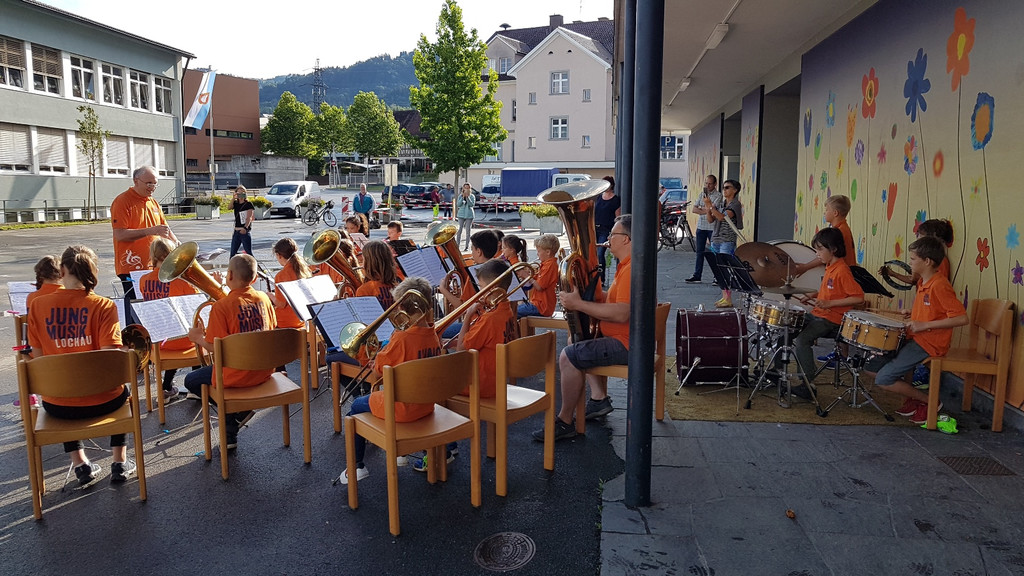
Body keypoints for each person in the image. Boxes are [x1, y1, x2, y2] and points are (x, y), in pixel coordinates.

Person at [27, 245, 135, 486]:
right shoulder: (105, 306)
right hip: (105, 402)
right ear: (92, 269)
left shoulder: (37, 305)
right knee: (123, 391)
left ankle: (80, 464)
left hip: (58, 405)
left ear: (63, 270)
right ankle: (119, 461)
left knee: (63, 382)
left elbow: (38, 356)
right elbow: (110, 358)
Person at [533, 215, 632, 442]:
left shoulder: (630, 268)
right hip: (625, 338)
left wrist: (578, 304)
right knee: (575, 340)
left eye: (612, 235)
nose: (608, 239)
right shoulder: (625, 266)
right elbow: (615, 301)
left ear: (625, 239)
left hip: (625, 343)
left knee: (568, 356)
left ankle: (565, 421)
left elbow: (622, 312)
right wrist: (590, 294)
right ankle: (598, 399)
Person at [338, 277, 442, 484]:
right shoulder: (432, 334)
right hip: (425, 405)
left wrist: (377, 354)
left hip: (401, 408)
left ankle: (356, 467)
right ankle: (406, 455)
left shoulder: (401, 338)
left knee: (354, 409)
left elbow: (378, 371)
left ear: (401, 306)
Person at [864, 236, 968, 424]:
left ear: (927, 261)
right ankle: (915, 399)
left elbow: (961, 318)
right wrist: (912, 314)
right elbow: (933, 312)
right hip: (916, 338)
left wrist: (925, 325)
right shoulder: (923, 283)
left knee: (884, 379)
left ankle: (930, 402)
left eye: (913, 259)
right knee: (871, 367)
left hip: (929, 343)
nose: (910, 262)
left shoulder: (939, 285)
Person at [185, 255, 277, 449]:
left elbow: (215, 349)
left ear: (229, 275)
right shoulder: (264, 299)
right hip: (264, 371)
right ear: (253, 279)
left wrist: (198, 339)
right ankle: (233, 424)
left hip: (236, 375)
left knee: (190, 381)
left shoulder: (221, 307)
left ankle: (233, 418)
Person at [789, 228, 865, 393]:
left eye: (820, 249)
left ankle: (808, 384)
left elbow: (858, 297)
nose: (817, 253)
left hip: (832, 320)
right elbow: (833, 290)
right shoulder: (830, 266)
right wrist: (814, 295)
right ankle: (776, 372)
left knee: (803, 340)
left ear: (834, 249)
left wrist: (830, 304)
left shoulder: (842, 270)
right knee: (788, 327)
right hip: (819, 314)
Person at [111, 166, 178, 321]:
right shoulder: (122, 201)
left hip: (154, 267)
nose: (152, 188)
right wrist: (150, 231)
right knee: (135, 309)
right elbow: (119, 234)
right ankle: (134, 342)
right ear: (136, 181)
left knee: (153, 309)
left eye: (155, 184)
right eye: (148, 183)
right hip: (131, 268)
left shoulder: (153, 203)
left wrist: (178, 244)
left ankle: (152, 342)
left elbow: (165, 229)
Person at [139, 238, 201, 401]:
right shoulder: (184, 282)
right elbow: (194, 308)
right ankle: (195, 389)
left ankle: (166, 388)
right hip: (182, 340)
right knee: (196, 331)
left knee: (173, 333)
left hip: (158, 341)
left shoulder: (143, 280)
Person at [794, 195, 856, 277]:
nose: (824, 212)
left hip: (843, 274)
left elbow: (826, 254)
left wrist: (805, 267)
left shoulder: (839, 231)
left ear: (835, 213)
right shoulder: (843, 227)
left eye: (827, 210)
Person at [704, 179, 743, 308]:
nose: (724, 190)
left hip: (727, 240)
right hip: (716, 238)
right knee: (719, 269)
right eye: (723, 187)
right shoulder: (721, 203)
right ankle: (725, 296)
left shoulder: (735, 204)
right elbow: (711, 220)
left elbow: (722, 217)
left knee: (726, 268)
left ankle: (728, 298)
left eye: (727, 187)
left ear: (735, 190)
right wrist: (709, 209)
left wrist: (710, 206)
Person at [880, 218, 954, 283]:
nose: (918, 238)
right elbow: (915, 280)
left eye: (921, 236)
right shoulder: (926, 258)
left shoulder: (941, 262)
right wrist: (893, 274)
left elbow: (938, 285)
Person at [686, 175, 722, 283]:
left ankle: (717, 276)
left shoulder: (718, 195)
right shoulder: (702, 194)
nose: (708, 185)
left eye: (710, 183)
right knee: (699, 252)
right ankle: (697, 275)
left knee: (714, 252)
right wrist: (707, 210)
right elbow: (694, 209)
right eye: (706, 183)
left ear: (715, 184)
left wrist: (705, 208)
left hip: (712, 228)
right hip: (701, 227)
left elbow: (713, 209)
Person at [272, 238, 313, 330]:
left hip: (285, 322)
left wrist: (270, 296)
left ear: (279, 255)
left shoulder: (281, 275)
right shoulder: (303, 270)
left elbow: (281, 304)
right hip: (302, 320)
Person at [518, 234, 559, 319]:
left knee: (512, 312)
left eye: (539, 251)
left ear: (548, 252)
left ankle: (517, 332)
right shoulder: (546, 265)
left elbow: (539, 287)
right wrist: (530, 274)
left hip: (541, 307)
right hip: (537, 305)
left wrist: (527, 277)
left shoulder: (550, 266)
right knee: (513, 309)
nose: (537, 254)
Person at [594, 176, 621, 283]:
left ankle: (601, 278)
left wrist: (614, 233)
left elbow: (617, 218)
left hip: (605, 230)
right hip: (594, 228)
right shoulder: (599, 197)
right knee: (593, 254)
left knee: (600, 254)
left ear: (611, 185)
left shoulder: (615, 200)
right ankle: (594, 277)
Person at [230, 186, 255, 257]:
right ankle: (232, 267)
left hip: (244, 231)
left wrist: (245, 228)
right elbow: (229, 207)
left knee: (248, 252)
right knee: (233, 253)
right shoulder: (235, 203)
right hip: (236, 231)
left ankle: (253, 267)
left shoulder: (248, 204)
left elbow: (249, 217)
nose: (240, 194)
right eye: (239, 193)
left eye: (242, 192)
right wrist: (233, 198)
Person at [455, 183, 476, 251]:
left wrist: (467, 197)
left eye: (468, 188)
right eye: (465, 188)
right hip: (461, 215)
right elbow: (458, 204)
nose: (466, 189)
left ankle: (466, 246)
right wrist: (463, 197)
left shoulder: (472, 196)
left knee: (468, 231)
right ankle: (457, 245)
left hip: (469, 215)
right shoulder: (460, 196)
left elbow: (471, 205)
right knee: (459, 231)